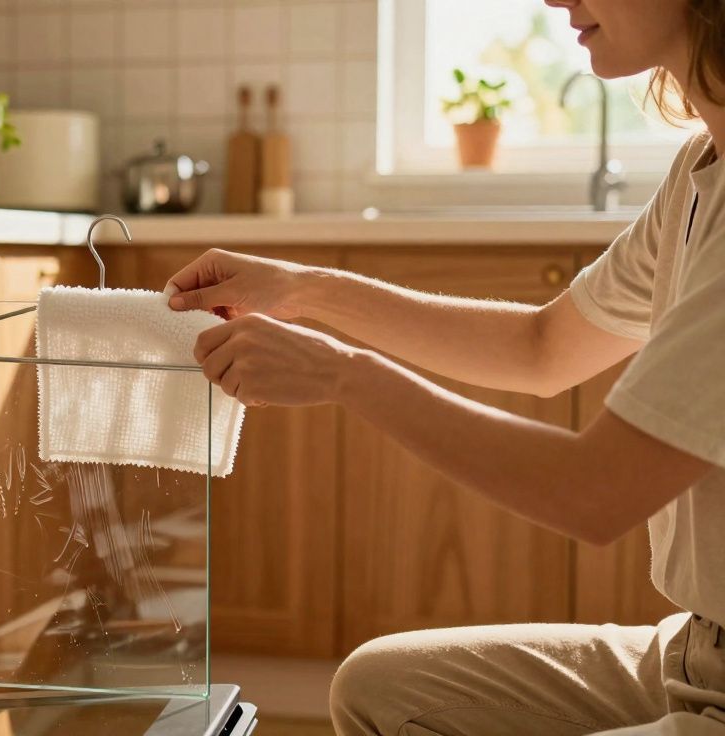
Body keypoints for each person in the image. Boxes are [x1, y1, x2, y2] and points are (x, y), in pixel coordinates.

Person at [164, 1, 725, 733]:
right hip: (694, 649)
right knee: (379, 687)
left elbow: (595, 493)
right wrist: (304, 288)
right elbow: (543, 348)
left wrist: (344, 375)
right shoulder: (698, 169)